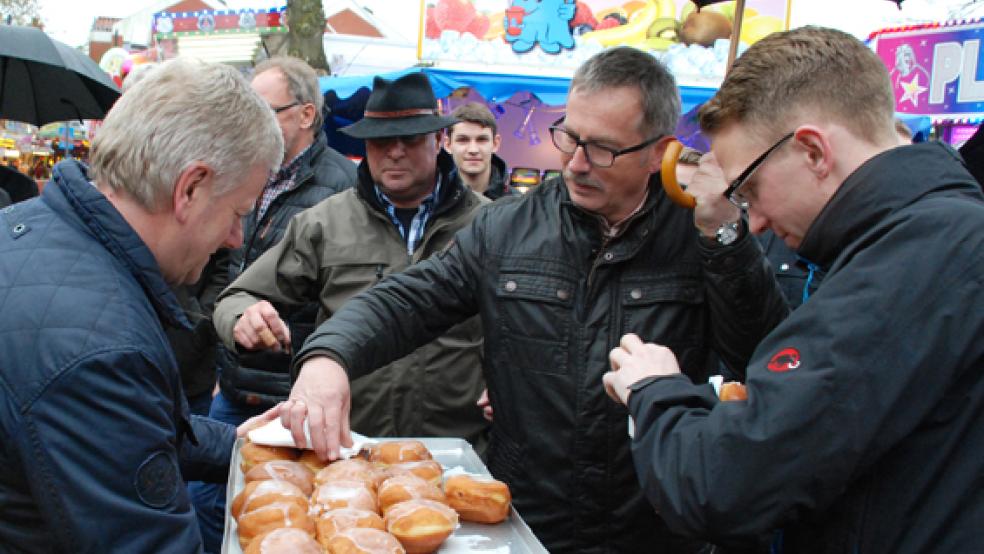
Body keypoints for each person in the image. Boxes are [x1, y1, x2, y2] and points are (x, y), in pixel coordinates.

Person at [279, 47, 787, 552]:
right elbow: (410, 300)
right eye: (569, 137)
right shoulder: (506, 227)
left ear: (660, 152)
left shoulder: (703, 234)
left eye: (603, 149)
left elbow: (760, 356)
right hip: (527, 516)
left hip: (654, 521)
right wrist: (330, 356)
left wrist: (724, 236)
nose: (576, 164)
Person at [604, 27, 984, 553]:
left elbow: (721, 485)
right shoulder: (918, 239)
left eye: (750, 190)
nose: (754, 222)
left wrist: (654, 391)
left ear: (812, 151)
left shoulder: (919, 256)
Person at [0, 58, 284, 552]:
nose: (236, 238)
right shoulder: (101, 345)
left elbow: (124, 433)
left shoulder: (27, 225)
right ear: (190, 189)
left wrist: (242, 444)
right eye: (237, 212)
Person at [213, 72, 489, 453]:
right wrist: (244, 317)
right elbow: (236, 295)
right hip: (349, 447)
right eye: (379, 141)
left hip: (456, 450)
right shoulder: (324, 222)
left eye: (410, 138)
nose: (394, 152)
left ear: (439, 140)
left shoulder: (490, 225)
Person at [188, 55, 358, 552]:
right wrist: (228, 321)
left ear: (305, 115)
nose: (251, 123)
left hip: (290, 398)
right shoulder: (245, 171)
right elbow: (226, 269)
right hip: (234, 383)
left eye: (264, 109)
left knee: (283, 524)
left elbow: (342, 304)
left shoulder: (342, 189)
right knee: (208, 507)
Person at [445, 101, 510, 199]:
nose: (473, 150)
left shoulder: (518, 206)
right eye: (463, 140)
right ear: (448, 145)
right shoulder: (430, 203)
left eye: (482, 139)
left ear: (495, 143)